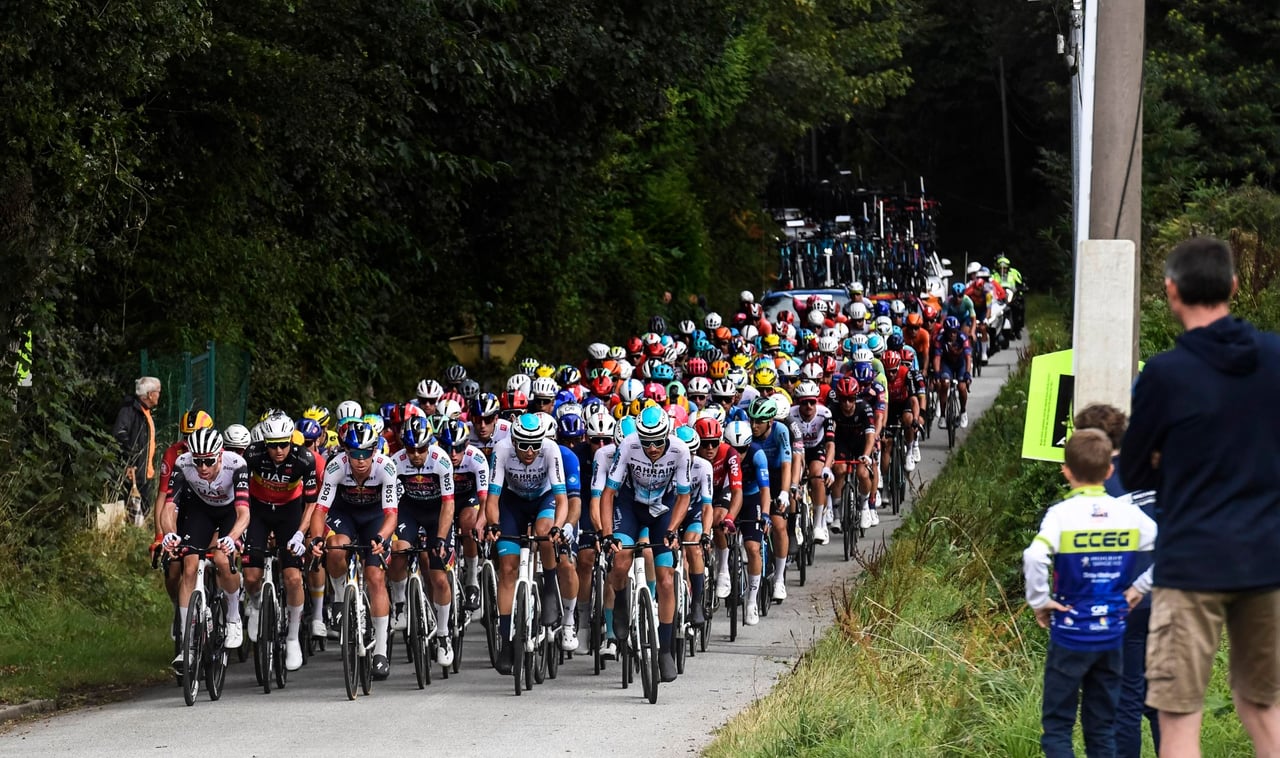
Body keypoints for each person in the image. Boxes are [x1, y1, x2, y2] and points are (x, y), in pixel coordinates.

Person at [1120, 236, 1280, 757]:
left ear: (1171, 292)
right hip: (1268, 556)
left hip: (1190, 563)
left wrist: (1177, 465)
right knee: (1263, 705)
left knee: (1179, 713)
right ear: (1233, 287)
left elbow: (1135, 468)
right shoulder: (1277, 358)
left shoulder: (1165, 374)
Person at [1024, 429, 1156, 758]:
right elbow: (1170, 547)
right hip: (1112, 632)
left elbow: (1034, 555)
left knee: (1058, 726)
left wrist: (1040, 601)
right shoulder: (1127, 514)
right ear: (1109, 471)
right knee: (1102, 726)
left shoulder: (1061, 514)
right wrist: (1139, 588)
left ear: (1066, 471)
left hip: (1070, 632)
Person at [1074, 404, 1160, 757]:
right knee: (1162, 697)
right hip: (1169, 592)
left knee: (1126, 698)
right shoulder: (1155, 470)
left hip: (1125, 600)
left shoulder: (1097, 484)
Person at [113, 376, 162, 522]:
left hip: (146, 472)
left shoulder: (144, 411)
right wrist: (130, 460)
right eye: (158, 391)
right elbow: (119, 434)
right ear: (149, 394)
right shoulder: (130, 410)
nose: (159, 395)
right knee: (133, 512)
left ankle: (139, 536)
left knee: (143, 511)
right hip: (135, 472)